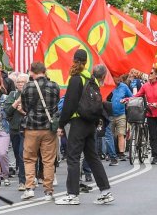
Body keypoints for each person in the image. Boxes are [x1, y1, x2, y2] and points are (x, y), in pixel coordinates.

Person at [54, 55, 112, 206]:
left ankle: (72, 194)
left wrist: (61, 124)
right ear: (86, 63)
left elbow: (69, 104)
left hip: (78, 122)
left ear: (73, 60)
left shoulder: (76, 79)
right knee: (92, 157)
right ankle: (105, 191)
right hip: (90, 123)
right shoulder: (91, 79)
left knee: (73, 157)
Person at [19, 61, 59, 201]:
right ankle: (48, 191)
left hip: (31, 128)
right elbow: (56, 107)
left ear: (31, 72)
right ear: (45, 71)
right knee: (48, 160)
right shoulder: (54, 86)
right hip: (48, 128)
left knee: (29, 159)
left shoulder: (27, 86)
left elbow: (24, 107)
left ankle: (29, 188)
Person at [132, 66, 157, 165]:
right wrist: (128, 99)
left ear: (156, 75)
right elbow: (137, 95)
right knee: (153, 137)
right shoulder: (145, 86)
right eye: (149, 73)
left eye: (151, 73)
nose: (149, 75)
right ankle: (155, 155)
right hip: (150, 114)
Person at [5, 73, 28, 189]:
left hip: (26, 130)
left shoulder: (30, 95)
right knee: (17, 153)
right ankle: (24, 173)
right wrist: (16, 102)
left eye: (23, 82)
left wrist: (23, 111)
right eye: (18, 82)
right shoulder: (12, 94)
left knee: (22, 154)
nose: (20, 84)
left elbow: (33, 112)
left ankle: (22, 181)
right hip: (14, 129)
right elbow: (7, 111)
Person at [109, 74, 133, 166]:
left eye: (119, 77)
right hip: (109, 114)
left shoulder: (124, 86)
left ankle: (121, 153)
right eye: (116, 76)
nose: (118, 78)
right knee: (110, 135)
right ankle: (110, 153)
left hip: (121, 114)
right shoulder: (109, 86)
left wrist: (126, 100)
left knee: (121, 134)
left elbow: (131, 97)